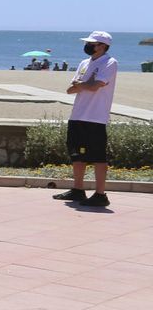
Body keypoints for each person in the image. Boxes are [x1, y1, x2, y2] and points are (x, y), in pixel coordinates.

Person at [55, 30, 118, 208]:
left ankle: (100, 194)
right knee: (77, 155)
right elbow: (71, 89)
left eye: (92, 43)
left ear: (103, 46)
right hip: (78, 115)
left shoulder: (110, 62)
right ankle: (78, 189)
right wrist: (85, 84)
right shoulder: (84, 63)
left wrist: (83, 85)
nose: (88, 46)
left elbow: (95, 86)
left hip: (95, 117)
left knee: (98, 157)